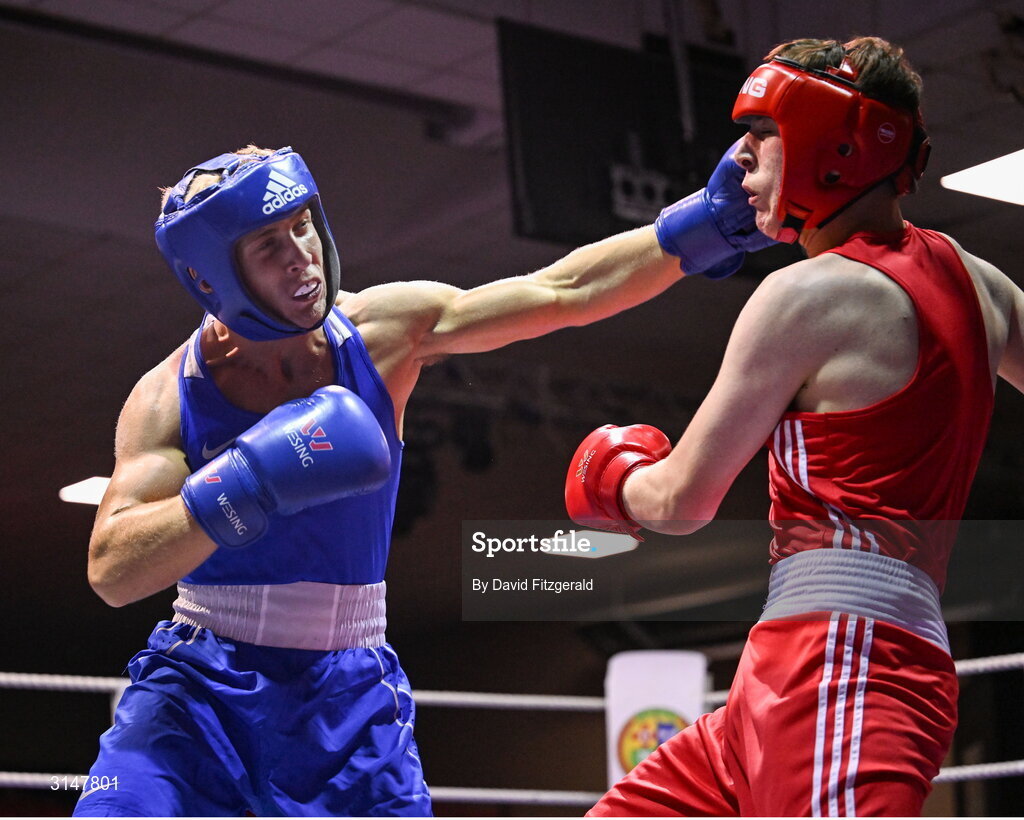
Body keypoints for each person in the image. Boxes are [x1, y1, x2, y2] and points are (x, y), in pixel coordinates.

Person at [73, 133, 773, 816]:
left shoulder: (382, 333)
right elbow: (112, 568)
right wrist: (246, 480)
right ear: (212, 277)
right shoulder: (170, 396)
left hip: (347, 696)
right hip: (200, 687)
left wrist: (701, 226)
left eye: (303, 226)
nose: (303, 258)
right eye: (269, 247)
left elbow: (562, 290)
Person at [567, 36, 1024, 817]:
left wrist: (613, 480)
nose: (737, 160)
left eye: (760, 137)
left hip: (847, 664)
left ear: (831, 143)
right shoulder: (984, 286)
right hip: (793, 668)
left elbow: (682, 500)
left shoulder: (805, 295)